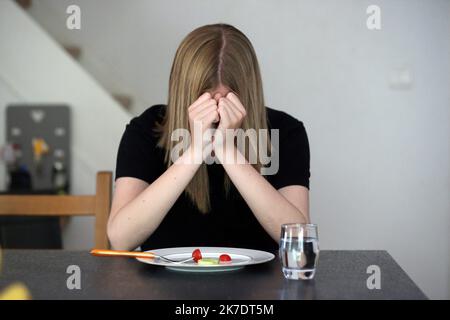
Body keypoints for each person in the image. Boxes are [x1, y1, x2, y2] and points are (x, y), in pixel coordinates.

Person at [107, 23, 311, 252]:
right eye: (204, 102)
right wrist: (195, 152)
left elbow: (298, 240)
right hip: (164, 283)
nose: (215, 115)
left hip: (260, 285)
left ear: (248, 93)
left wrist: (228, 153)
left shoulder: (286, 131)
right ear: (184, 93)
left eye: (227, 102)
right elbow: (121, 238)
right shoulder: (147, 128)